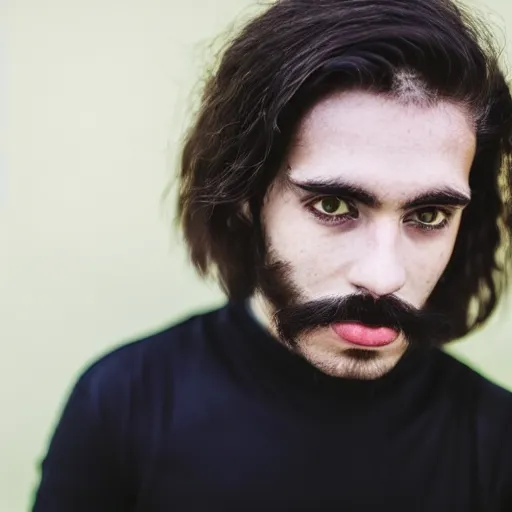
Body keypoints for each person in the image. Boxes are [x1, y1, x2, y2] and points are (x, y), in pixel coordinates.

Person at [32, 0, 512, 510]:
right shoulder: (123, 402)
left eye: (429, 215)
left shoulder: (497, 441)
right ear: (245, 195)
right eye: (333, 205)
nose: (382, 276)